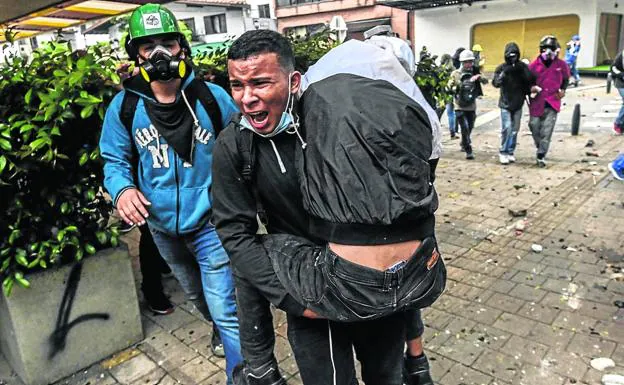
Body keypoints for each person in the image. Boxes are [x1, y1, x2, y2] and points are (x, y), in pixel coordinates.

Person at [212, 30, 440, 385]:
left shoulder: (337, 121)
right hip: (309, 298)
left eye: (260, 83)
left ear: (294, 81)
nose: (247, 98)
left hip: (369, 285)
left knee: (386, 377)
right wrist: (293, 300)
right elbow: (235, 235)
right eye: (237, 86)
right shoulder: (234, 146)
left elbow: (396, 210)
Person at [99, 4, 242, 382]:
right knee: (198, 298)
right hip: (161, 229)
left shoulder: (212, 99)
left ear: (182, 46)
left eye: (167, 43)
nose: (160, 54)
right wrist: (122, 189)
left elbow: (245, 148)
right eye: (149, 47)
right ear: (136, 53)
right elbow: (114, 159)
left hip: (212, 225)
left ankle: (240, 375)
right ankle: (216, 326)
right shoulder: (126, 106)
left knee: (226, 307)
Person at [528, 35, 570, 168]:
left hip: (552, 101)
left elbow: (566, 79)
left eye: (551, 49)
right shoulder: (533, 65)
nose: (548, 52)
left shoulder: (561, 65)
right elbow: (527, 81)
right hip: (537, 102)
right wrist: (532, 88)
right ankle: (540, 146)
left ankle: (541, 155)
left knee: (547, 129)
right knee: (534, 125)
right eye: (545, 49)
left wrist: (562, 90)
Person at [492, 42, 535, 164]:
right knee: (507, 127)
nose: (513, 58)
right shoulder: (502, 68)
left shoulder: (522, 67)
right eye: (510, 55)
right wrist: (503, 75)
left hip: (518, 102)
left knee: (515, 129)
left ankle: (510, 151)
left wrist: (524, 71)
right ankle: (503, 151)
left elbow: (530, 80)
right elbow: (496, 83)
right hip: (505, 103)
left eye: (515, 55)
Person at [450, 49, 488, 159]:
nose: (469, 64)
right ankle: (468, 150)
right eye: (467, 62)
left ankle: (464, 142)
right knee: (465, 128)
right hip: (459, 106)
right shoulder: (455, 74)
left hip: (471, 106)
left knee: (470, 127)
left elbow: (486, 81)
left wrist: (479, 77)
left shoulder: (475, 71)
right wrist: (457, 87)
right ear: (462, 62)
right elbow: (449, 87)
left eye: (471, 62)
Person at [440, 53, 458, 138]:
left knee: (438, 112)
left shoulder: (439, 70)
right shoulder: (453, 70)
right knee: (451, 113)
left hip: (441, 94)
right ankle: (452, 133)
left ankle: (436, 131)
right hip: (450, 94)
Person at [611, 49, 624, 135]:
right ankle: (617, 123)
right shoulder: (621, 56)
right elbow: (613, 67)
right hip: (620, 83)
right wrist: (621, 74)